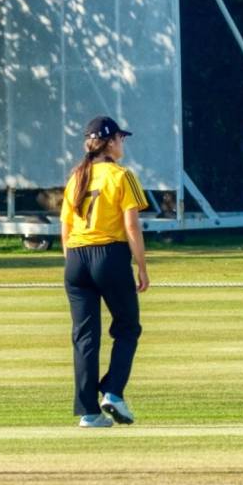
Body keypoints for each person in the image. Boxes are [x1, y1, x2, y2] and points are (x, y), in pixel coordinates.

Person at [59, 116, 150, 429]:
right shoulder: (121, 175)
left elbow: (65, 226)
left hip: (75, 257)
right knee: (127, 327)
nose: (123, 144)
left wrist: (72, 262)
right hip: (108, 255)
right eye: (120, 139)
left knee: (85, 337)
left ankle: (89, 413)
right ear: (110, 142)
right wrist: (142, 266)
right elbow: (131, 226)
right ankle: (112, 392)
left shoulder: (76, 177)